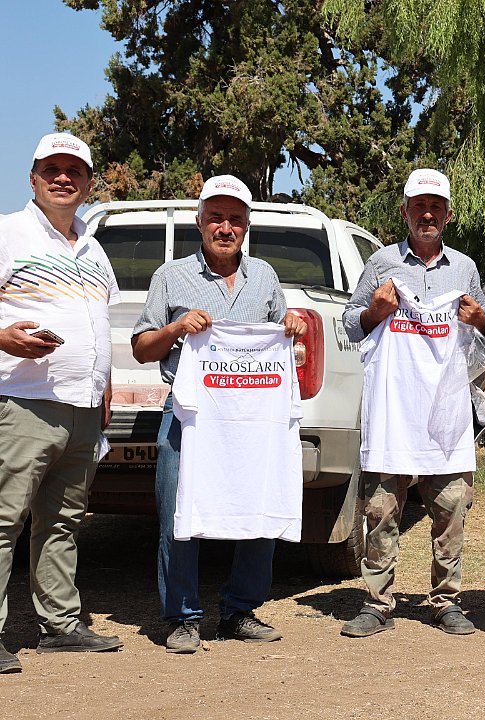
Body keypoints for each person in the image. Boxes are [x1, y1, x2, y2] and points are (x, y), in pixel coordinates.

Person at [132, 174, 307, 653]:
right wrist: (175, 327)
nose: (224, 227)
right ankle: (183, 618)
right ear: (199, 221)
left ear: (246, 226)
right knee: (179, 510)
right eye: (216, 217)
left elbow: (280, 337)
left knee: (258, 500)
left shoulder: (265, 277)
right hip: (189, 415)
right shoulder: (170, 277)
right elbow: (142, 348)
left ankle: (240, 611)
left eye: (234, 219)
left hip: (253, 416)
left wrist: (289, 325)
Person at [338, 169, 485, 638]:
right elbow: (351, 324)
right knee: (382, 509)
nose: (427, 214)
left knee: (450, 507)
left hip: (446, 415)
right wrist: (375, 313)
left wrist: (480, 319)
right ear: (405, 211)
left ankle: (446, 600)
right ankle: (377, 602)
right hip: (393, 411)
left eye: (436, 207)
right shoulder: (382, 264)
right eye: (418, 206)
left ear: (447, 214)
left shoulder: (464, 268)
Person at [0, 133, 123, 672]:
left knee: (63, 521)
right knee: (5, 520)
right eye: (52, 168)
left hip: (81, 407)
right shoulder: (9, 233)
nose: (63, 178)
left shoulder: (93, 248)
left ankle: (61, 626)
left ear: (89, 184)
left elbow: (101, 326)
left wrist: (104, 397)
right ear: (33, 177)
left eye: (74, 170)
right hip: (25, 402)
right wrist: (3, 337)